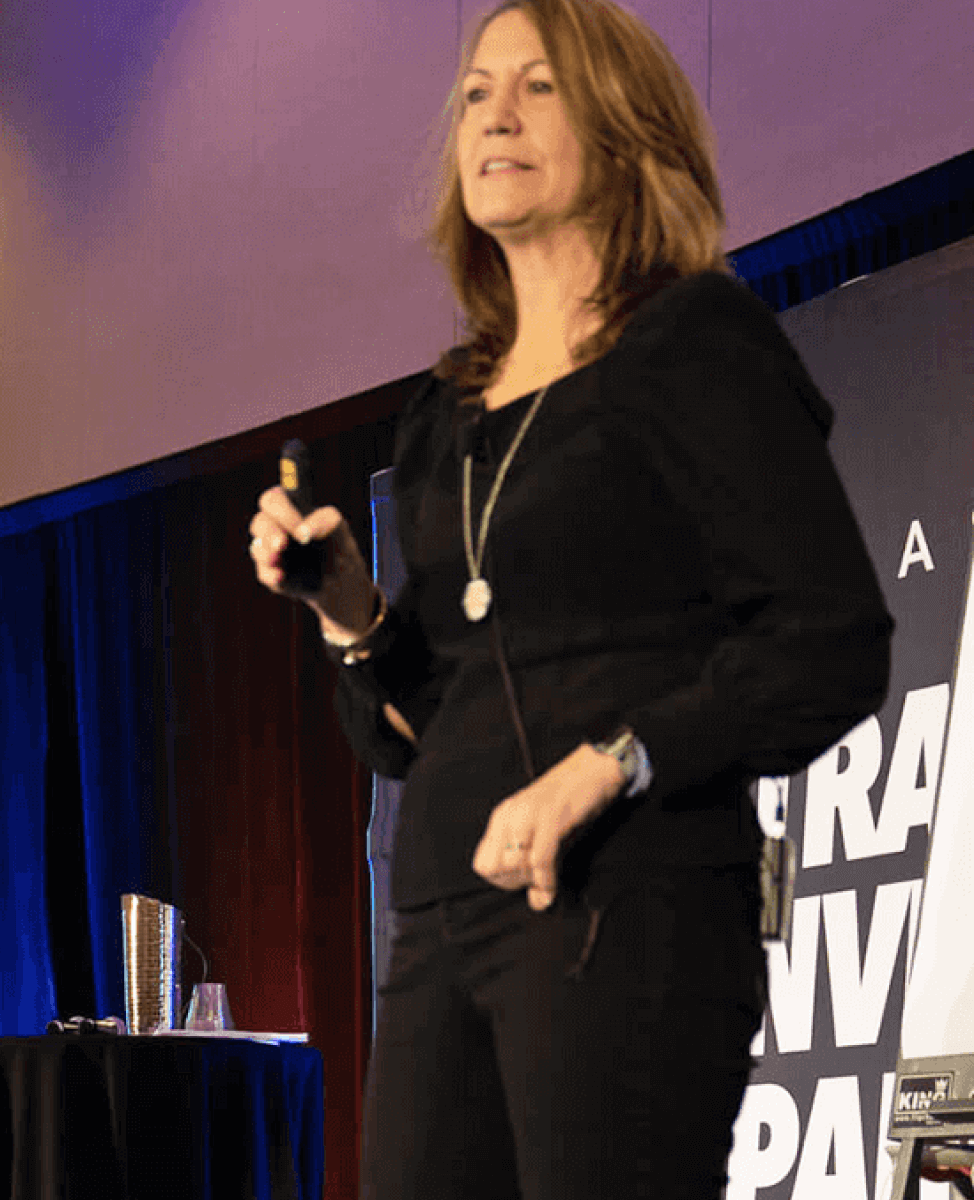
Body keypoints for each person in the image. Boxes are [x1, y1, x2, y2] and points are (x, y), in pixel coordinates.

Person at [247, 2, 892, 1197]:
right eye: (477, 89)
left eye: (537, 86)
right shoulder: (448, 412)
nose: (494, 112)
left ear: (622, 126)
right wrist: (350, 617)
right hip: (443, 917)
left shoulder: (695, 342)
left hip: (621, 908)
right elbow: (418, 734)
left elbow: (831, 640)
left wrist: (612, 761)